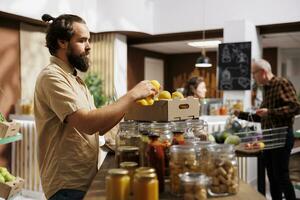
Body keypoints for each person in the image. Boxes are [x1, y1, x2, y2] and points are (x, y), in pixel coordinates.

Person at [34, 14, 157, 200]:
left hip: (82, 178)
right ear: (62, 42)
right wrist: (132, 94)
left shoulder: (74, 80)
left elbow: (98, 129)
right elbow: (88, 123)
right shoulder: (52, 77)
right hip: (66, 184)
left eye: (88, 40)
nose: (89, 46)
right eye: (82, 40)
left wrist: (131, 103)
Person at [234, 58, 300, 200]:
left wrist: (270, 112)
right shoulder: (266, 89)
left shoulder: (281, 83)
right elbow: (263, 117)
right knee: (272, 176)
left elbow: (295, 107)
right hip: (270, 137)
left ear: (263, 72)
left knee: (281, 175)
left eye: (254, 73)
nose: (253, 77)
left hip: (282, 136)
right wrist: (241, 115)